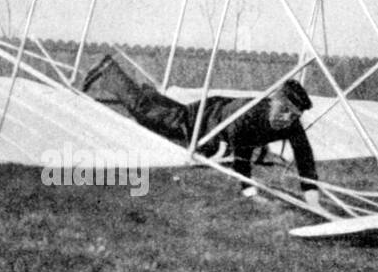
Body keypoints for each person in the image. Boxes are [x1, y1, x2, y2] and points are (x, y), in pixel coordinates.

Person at [82, 53, 322, 208]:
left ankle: (149, 92)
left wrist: (312, 196)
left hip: (216, 119)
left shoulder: (291, 124)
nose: (287, 118)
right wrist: (250, 193)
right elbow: (241, 159)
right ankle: (108, 69)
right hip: (202, 119)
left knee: (159, 113)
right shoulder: (249, 116)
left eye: (294, 115)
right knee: (146, 115)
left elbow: (305, 156)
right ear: (274, 100)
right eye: (285, 109)